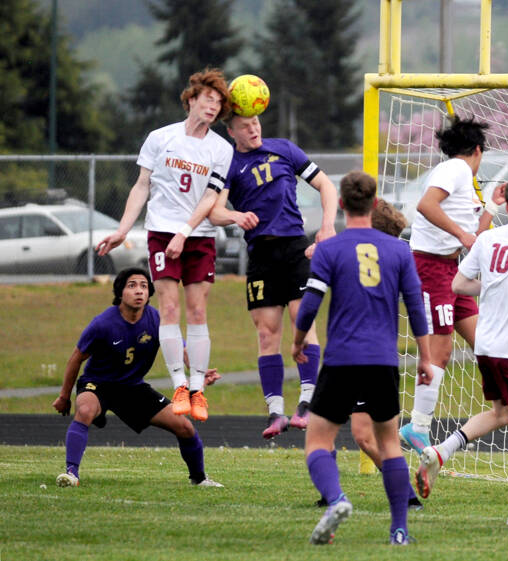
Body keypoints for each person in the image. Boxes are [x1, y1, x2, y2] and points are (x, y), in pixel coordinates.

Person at [292, 171, 433, 545]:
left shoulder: (329, 248)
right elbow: (416, 307)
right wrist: (425, 356)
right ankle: (399, 531)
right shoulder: (399, 250)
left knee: (319, 441)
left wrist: (297, 340)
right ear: (374, 204)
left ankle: (337, 499)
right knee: (388, 444)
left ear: (341, 204)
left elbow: (309, 304)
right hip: (383, 360)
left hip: (340, 359)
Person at [96, 68, 234, 422]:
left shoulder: (221, 148)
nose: (213, 107)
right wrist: (124, 230)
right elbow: (142, 186)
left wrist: (185, 233)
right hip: (160, 232)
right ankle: (180, 385)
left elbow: (210, 196)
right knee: (169, 310)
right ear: (191, 99)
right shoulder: (160, 138)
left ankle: (199, 390)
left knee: (198, 311)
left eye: (219, 104)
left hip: (197, 235)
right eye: (208, 99)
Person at [208, 113, 339, 439]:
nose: (252, 129)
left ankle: (307, 403)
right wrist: (237, 216)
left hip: (294, 250)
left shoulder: (284, 149)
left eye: (255, 122)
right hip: (261, 257)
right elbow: (215, 211)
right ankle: (276, 411)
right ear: (231, 131)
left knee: (302, 320)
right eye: (244, 126)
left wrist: (327, 225)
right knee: (267, 334)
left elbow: (326, 184)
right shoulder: (228, 162)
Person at [52, 267, 223, 488]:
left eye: (143, 286)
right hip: (98, 384)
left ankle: (199, 479)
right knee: (84, 411)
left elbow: (179, 349)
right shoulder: (102, 323)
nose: (139, 291)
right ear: (120, 292)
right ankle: (71, 474)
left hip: (133, 388)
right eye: (132, 285)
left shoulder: (157, 320)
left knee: (185, 427)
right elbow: (76, 358)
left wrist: (198, 371)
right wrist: (64, 396)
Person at [400, 116, 505, 455]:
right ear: (476, 150)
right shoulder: (456, 169)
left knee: (485, 340)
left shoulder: (462, 179)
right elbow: (425, 205)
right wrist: (460, 233)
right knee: (440, 351)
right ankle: (417, 427)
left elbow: (475, 235)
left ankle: (501, 410)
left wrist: (491, 205)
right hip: (430, 268)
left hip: (449, 270)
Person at [313, 198, 423, 511]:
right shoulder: (376, 253)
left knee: (364, 436)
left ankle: (405, 497)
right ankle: (330, 494)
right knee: (336, 430)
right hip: (359, 355)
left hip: (366, 356)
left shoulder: (384, 258)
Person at [415, 181, 508, 510]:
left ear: (507, 208)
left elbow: (459, 284)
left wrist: (494, 282)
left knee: (502, 413)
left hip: (487, 345)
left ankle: (441, 451)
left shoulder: (488, 240)